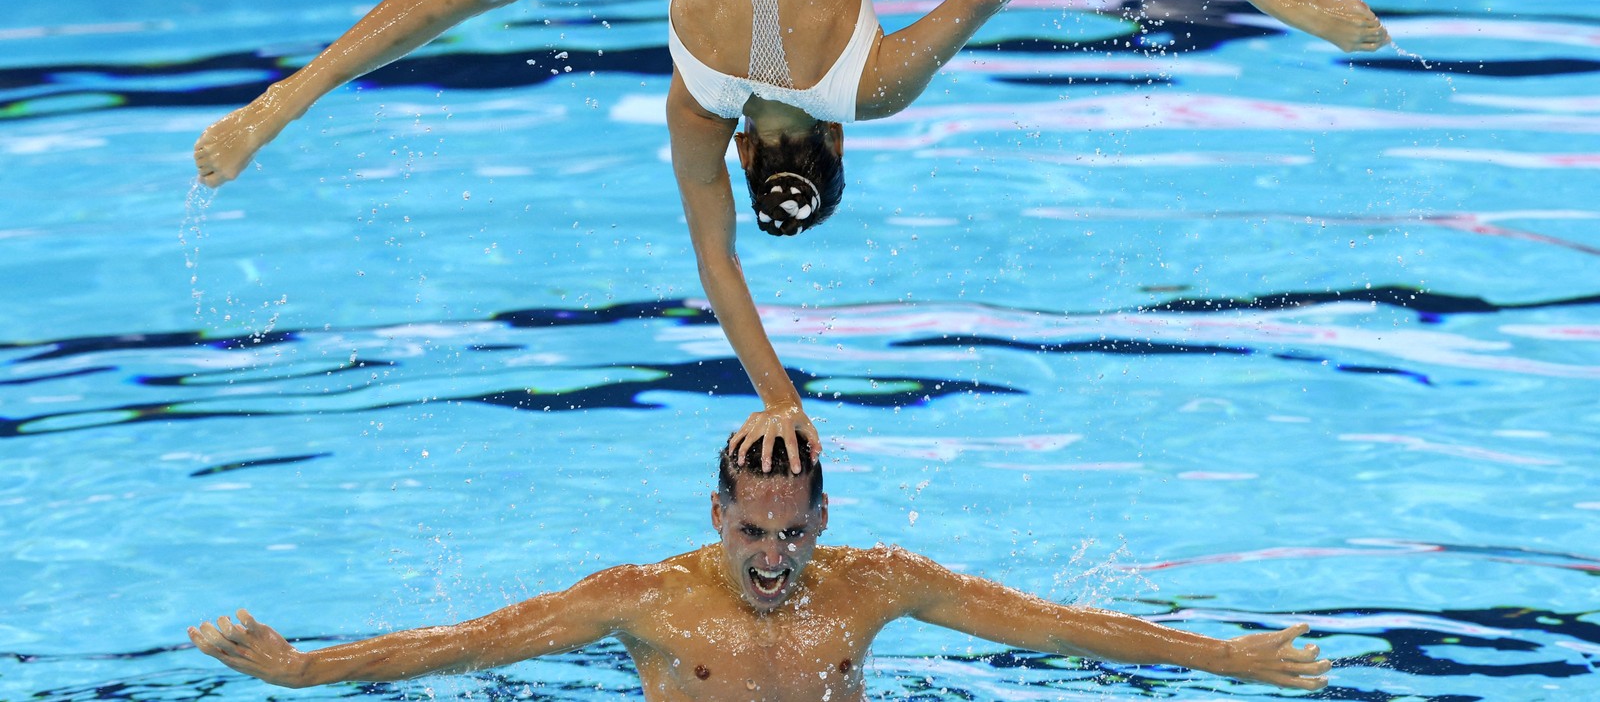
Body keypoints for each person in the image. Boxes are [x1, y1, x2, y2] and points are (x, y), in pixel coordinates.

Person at [192, 0, 1388, 468]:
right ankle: (281, 101)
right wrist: (775, 387)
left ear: (828, 143)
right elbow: (714, 264)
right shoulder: (694, 101)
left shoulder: (870, 84)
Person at [188, 435, 1332, 696]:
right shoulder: (640, 598)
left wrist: (1223, 656)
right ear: (715, 514)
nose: (775, 559)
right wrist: (303, 669)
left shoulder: (874, 580)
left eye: (794, 532)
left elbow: (1050, 628)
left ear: (822, 516)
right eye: (752, 533)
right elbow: (471, 640)